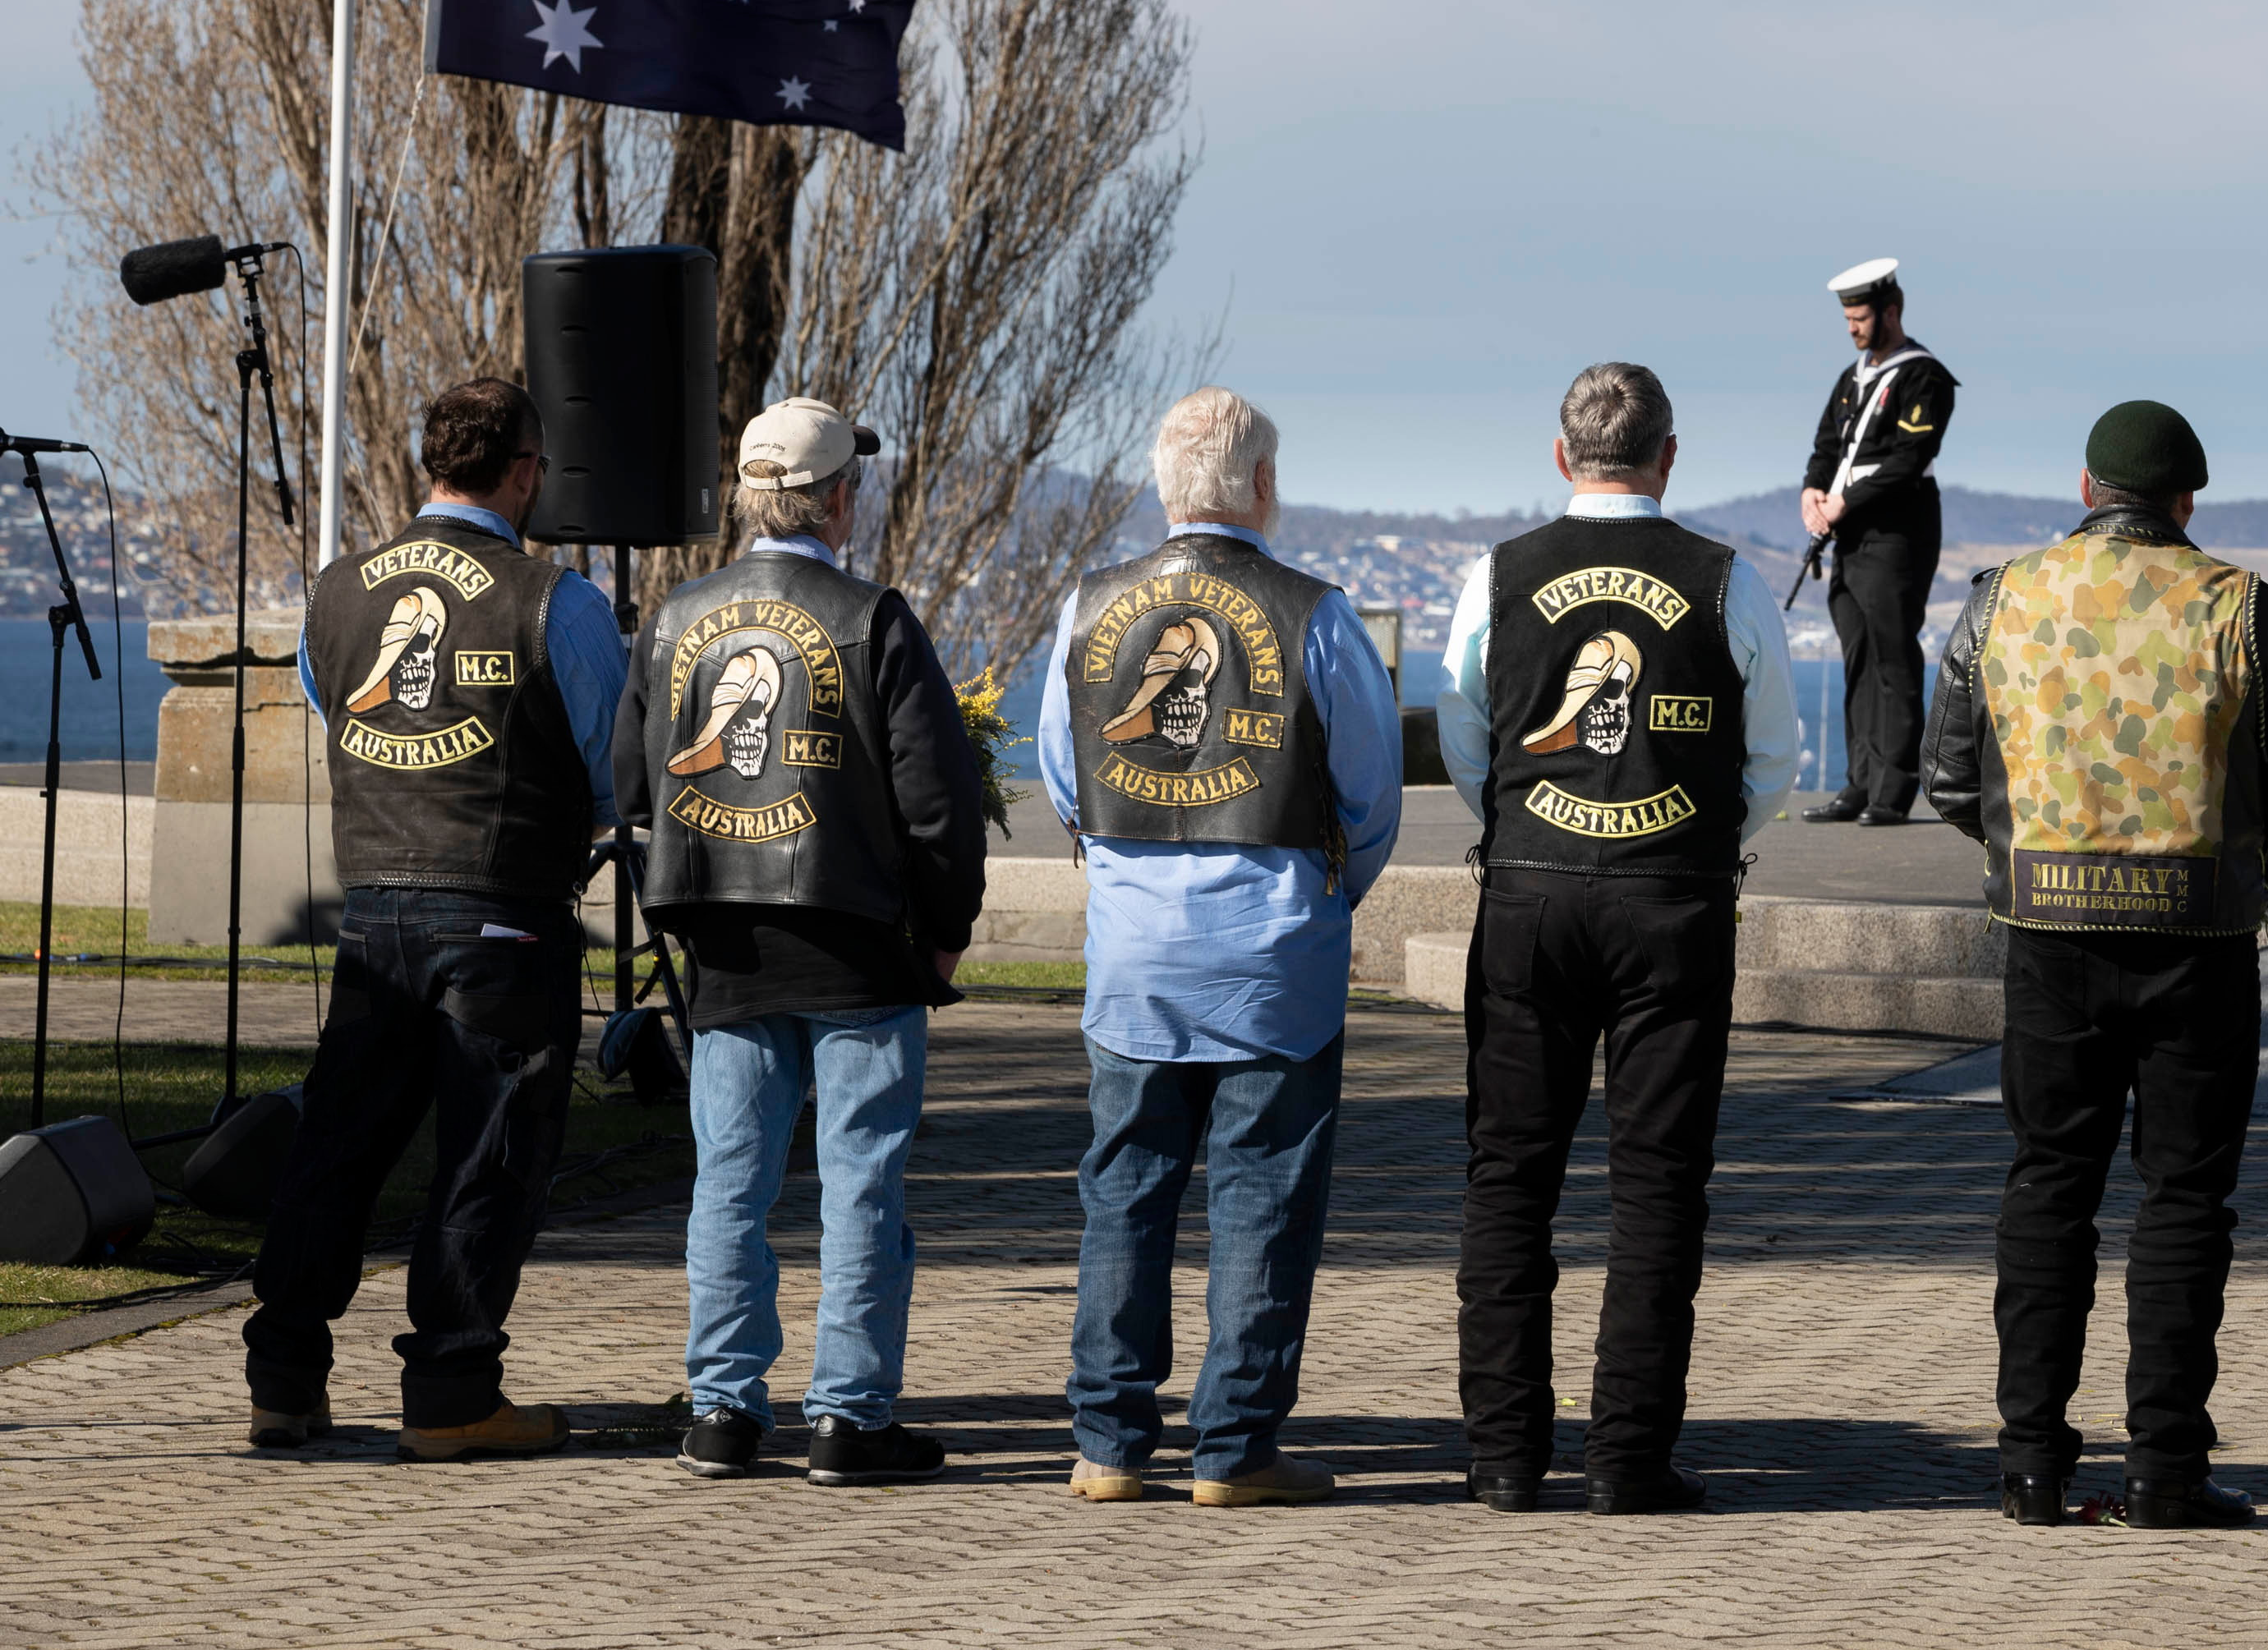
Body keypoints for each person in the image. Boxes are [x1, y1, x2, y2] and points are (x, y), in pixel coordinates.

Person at [1922, 401, 2268, 1529]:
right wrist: (2264, 872)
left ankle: (2029, 1466)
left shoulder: (2003, 600)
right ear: (2185, 501)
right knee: (2186, 1201)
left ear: (2086, 487)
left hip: (2048, 939)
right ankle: (2166, 1470)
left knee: (2048, 1191)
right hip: (2200, 942)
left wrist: (2028, 856)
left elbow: (1952, 781)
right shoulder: (2247, 611)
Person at [1437, 361, 1801, 1514]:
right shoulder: (1726, 582)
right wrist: (1697, 833)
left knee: (1508, 1181)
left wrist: (1528, 818)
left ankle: (1502, 1455)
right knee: (1657, 1189)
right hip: (1673, 900)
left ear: (1561, 456)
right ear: (1670, 455)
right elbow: (1774, 760)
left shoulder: (1496, 575)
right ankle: (1630, 1459)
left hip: (1531, 894)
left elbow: (1467, 733)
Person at [245, 377, 625, 1460]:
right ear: (519, 472)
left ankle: (284, 1377)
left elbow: (340, 715)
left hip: (371, 910)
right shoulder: (556, 598)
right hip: (504, 915)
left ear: (430, 466)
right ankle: (454, 1390)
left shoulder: (337, 592)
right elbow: (613, 769)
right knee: (488, 1156)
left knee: (338, 1147)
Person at [1039, 386, 1403, 1508]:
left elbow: (1066, 783)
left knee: (1125, 1195)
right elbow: (1371, 797)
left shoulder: (1088, 607)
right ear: (1260, 487)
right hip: (1272, 954)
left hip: (1135, 955)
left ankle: (1107, 1443)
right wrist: (1329, 900)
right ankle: (1236, 1448)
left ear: (1162, 485)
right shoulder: (1316, 613)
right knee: (1263, 1202)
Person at [619, 396, 986, 1487]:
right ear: (836, 498)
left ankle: (724, 1411)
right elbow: (940, 804)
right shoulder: (872, 617)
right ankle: (848, 1418)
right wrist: (948, 934)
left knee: (729, 1185)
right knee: (861, 1185)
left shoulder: (679, 617)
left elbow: (631, 783)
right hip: (858, 944)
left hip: (724, 946)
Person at [1797, 258, 1956, 826]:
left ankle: (1893, 792)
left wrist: (1846, 501)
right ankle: (1858, 787)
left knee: (1893, 658)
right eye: (1847, 319)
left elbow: (1908, 459)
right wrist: (1813, 492)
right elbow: (1825, 445)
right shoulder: (1853, 377)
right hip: (1849, 538)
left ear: (1890, 312)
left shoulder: (1924, 377)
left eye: (1860, 317)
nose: (1852, 328)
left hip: (1896, 534)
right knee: (1859, 658)